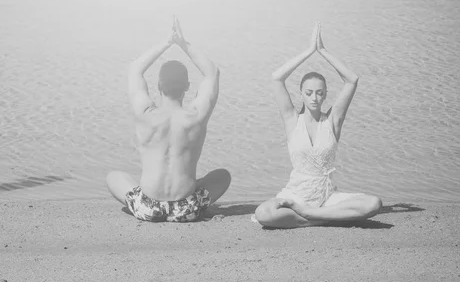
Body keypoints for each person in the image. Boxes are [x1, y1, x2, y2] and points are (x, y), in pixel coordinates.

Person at [253, 23, 382, 228]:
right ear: (302, 94)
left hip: (327, 196)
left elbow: (352, 80)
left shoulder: (333, 121)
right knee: (263, 213)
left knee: (374, 203)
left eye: (320, 93)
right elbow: (277, 78)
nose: (314, 97)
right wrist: (308, 51)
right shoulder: (292, 120)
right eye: (309, 92)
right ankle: (320, 218)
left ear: (325, 95)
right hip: (296, 195)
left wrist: (323, 51)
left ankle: (311, 216)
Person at [106, 17, 231, 222]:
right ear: (187, 87)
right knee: (223, 176)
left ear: (158, 86)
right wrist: (183, 44)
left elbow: (135, 69)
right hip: (186, 208)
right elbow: (212, 73)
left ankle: (149, 203)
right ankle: (185, 192)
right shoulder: (196, 116)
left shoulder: (145, 113)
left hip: (148, 207)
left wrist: (166, 43)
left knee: (113, 177)